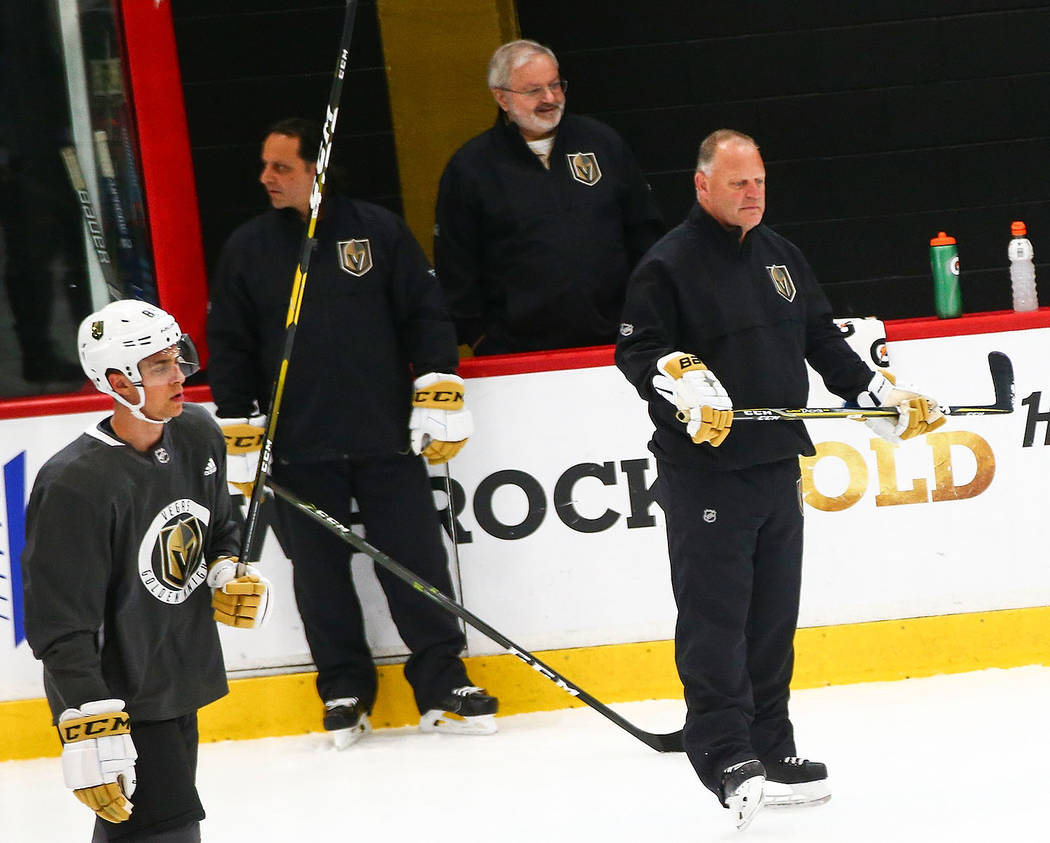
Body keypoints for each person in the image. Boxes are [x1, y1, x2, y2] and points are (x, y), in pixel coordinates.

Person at [615, 129, 945, 830]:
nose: (752, 192)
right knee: (717, 619)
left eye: (758, 180)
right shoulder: (666, 265)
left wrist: (878, 394)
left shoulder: (781, 257)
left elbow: (821, 338)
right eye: (737, 182)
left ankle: (771, 743)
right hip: (706, 473)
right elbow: (639, 348)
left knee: (769, 620)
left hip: (774, 466)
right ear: (702, 186)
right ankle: (723, 749)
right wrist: (680, 379)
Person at [206, 117, 497, 749]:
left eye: (281, 167)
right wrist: (240, 423)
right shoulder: (248, 249)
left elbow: (425, 313)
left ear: (319, 169)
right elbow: (227, 344)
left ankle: (443, 680)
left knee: (415, 562)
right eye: (266, 166)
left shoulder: (376, 230)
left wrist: (438, 385)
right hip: (296, 448)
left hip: (384, 438)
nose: (266, 178)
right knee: (318, 577)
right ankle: (343, 686)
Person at [22, 299, 271, 841]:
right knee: (169, 832)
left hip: (177, 677)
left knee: (134, 834)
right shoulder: (74, 483)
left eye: (177, 358)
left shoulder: (197, 432)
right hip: (122, 695)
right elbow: (60, 621)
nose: (179, 375)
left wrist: (227, 568)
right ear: (117, 381)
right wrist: (89, 719)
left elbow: (220, 525)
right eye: (159, 367)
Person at [434, 38, 665, 356]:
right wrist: (479, 336)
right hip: (518, 356)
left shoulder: (602, 143)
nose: (550, 98)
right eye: (533, 90)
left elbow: (645, 232)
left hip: (615, 343)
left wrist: (646, 316)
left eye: (556, 85)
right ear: (501, 97)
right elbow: (455, 264)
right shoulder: (471, 168)